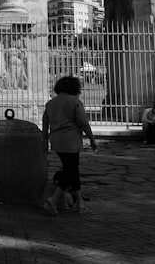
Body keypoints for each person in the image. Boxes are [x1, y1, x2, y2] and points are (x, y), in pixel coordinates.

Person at [42, 76, 97, 215]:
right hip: (71, 141)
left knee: (72, 169)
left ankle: (80, 203)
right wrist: (91, 139)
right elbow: (83, 122)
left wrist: (44, 142)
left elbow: (45, 125)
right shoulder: (74, 102)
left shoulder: (50, 103)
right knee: (70, 171)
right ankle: (53, 200)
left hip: (56, 141)